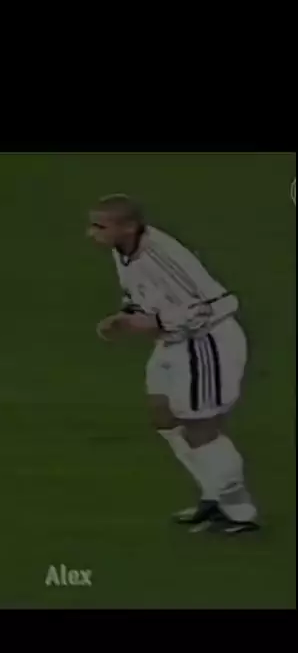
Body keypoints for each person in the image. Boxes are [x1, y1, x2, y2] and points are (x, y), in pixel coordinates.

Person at [88, 194, 259, 534]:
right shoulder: (123, 249)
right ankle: (214, 493)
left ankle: (239, 511)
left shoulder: (160, 256)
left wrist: (152, 323)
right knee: (163, 415)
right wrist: (125, 317)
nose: (91, 233)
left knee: (200, 427)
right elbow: (139, 293)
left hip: (205, 340)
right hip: (175, 341)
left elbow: (204, 308)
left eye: (100, 226)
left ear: (128, 226)